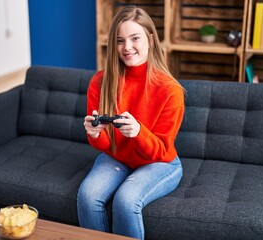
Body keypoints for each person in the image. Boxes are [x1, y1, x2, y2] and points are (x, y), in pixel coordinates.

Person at [77, 5, 184, 240]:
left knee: (126, 200)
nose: (127, 47)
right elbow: (104, 145)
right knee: (87, 195)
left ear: (150, 40)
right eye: (120, 40)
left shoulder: (170, 90)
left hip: (160, 161)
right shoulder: (100, 82)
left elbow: (162, 150)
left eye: (135, 38)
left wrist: (138, 132)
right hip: (118, 156)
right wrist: (95, 134)